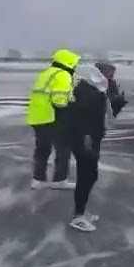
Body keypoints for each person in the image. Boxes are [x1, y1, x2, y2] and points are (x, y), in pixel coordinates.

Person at [61, 63, 111, 232]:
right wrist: (87, 138)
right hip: (85, 140)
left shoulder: (91, 89)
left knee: (90, 175)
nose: (110, 76)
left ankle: (81, 211)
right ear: (98, 73)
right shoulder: (86, 92)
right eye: (108, 72)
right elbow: (82, 118)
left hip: (88, 138)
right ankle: (78, 216)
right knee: (87, 175)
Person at [26, 49, 79, 191]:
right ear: (68, 63)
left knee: (42, 149)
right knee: (63, 149)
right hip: (52, 117)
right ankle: (59, 180)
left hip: (37, 117)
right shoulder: (62, 75)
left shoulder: (45, 74)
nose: (75, 67)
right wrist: (72, 105)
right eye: (74, 64)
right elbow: (59, 100)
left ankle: (38, 180)